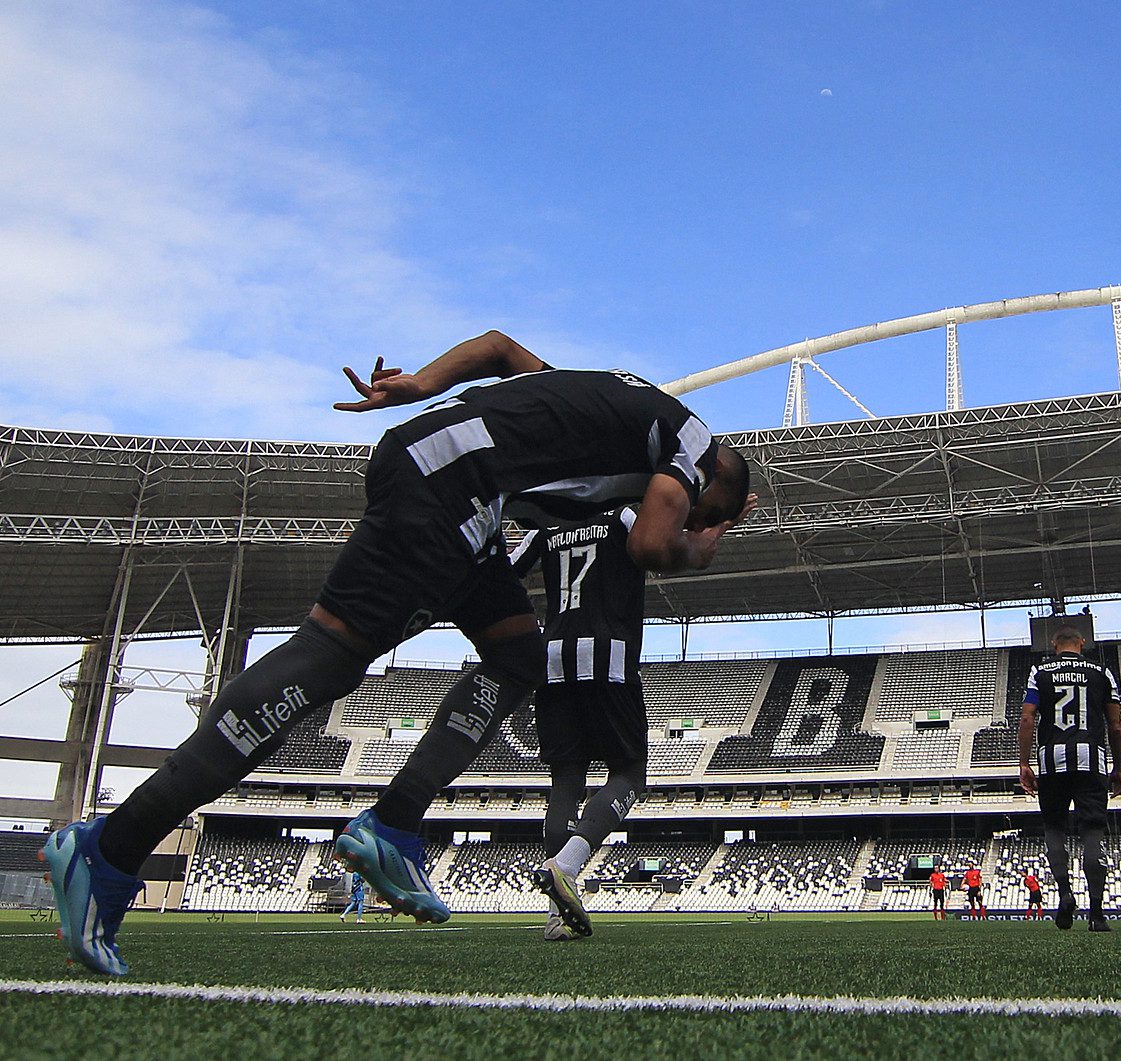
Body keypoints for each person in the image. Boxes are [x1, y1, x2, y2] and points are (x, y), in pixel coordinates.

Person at [42, 331, 754, 977]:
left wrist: (419, 386)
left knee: (517, 655)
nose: (693, 514)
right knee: (329, 655)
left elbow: (502, 350)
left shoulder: (606, 412)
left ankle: (395, 822)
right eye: (707, 510)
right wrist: (699, 545)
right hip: (448, 486)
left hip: (453, 485)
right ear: (717, 487)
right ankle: (111, 849)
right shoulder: (690, 439)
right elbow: (650, 544)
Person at [512, 507, 653, 941]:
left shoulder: (545, 524)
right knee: (629, 772)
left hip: (552, 660)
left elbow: (505, 572)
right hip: (609, 658)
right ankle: (567, 866)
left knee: (566, 780)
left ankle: (557, 917)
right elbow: (660, 546)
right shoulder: (624, 515)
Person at [1018, 624, 1121, 931]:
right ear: (1082, 643)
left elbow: (1027, 718)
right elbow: (1115, 726)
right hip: (1091, 758)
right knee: (1092, 831)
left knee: (1054, 828)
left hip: (1051, 760)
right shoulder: (1102, 673)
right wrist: (1117, 767)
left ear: (1054, 645)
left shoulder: (1040, 673)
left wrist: (1024, 763)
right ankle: (1097, 913)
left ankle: (1065, 893)